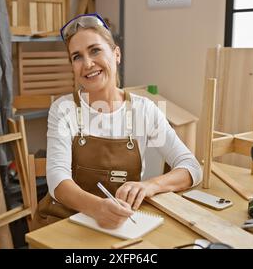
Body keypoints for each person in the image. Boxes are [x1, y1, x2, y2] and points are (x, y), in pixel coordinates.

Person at [39, 13, 202, 229]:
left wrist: (150, 186)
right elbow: (57, 181)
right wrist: (97, 208)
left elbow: (191, 168)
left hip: (120, 224)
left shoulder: (144, 110)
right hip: (64, 221)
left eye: (95, 50)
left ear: (116, 54)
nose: (87, 63)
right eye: (76, 57)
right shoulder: (63, 109)